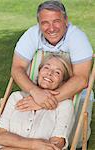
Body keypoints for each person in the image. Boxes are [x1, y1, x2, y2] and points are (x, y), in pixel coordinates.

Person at [11, 0, 93, 148]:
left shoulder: (77, 38)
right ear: (38, 23)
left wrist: (41, 102)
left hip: (75, 96)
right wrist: (36, 92)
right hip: (38, 92)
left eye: (56, 21)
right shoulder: (31, 35)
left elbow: (81, 79)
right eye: (45, 23)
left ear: (66, 21)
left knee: (74, 138)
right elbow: (17, 69)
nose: (51, 28)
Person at [0, 54, 75, 150]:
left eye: (57, 72)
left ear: (63, 81)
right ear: (39, 71)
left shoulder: (64, 106)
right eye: (46, 68)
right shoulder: (16, 97)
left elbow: (55, 145)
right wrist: (34, 145)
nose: (49, 73)